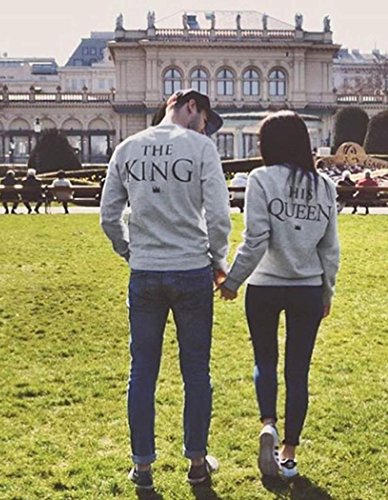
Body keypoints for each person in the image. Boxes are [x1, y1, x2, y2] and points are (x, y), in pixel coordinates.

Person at [100, 89, 230, 490]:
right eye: (204, 120)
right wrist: (217, 259)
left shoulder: (127, 148)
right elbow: (219, 216)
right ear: (191, 106)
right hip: (191, 269)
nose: (204, 128)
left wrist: (129, 251)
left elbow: (108, 216)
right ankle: (196, 462)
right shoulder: (201, 148)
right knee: (196, 371)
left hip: (146, 271)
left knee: (142, 371)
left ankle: (142, 467)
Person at [219, 111, 340, 479]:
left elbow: (255, 240)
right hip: (308, 287)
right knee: (298, 371)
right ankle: (288, 454)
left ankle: (268, 424)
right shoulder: (324, 186)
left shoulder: (261, 179)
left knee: (265, 361)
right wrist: (327, 291)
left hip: (264, 286)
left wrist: (232, 281)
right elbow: (330, 249)